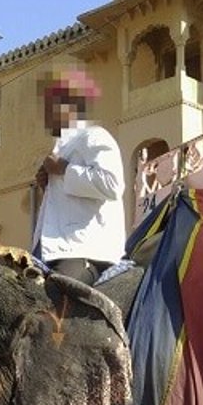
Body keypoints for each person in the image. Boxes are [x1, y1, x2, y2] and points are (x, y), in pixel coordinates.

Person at [31, 67, 126, 286]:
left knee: (59, 300)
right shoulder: (61, 147)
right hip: (51, 249)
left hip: (84, 248)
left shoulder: (93, 136)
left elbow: (112, 184)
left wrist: (64, 169)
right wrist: (47, 186)